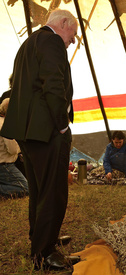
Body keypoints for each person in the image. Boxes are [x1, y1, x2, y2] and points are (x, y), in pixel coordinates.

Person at [0, 9, 80, 270]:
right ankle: (46, 253)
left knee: (39, 190)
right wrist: (61, 124)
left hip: (28, 132)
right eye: (73, 34)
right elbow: (53, 83)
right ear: (64, 23)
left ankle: (41, 241)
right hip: (46, 130)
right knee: (53, 190)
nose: (73, 40)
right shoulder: (52, 41)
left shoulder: (29, 43)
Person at [0, 98, 28, 198]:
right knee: (25, 189)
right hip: (4, 165)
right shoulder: (6, 125)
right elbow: (12, 150)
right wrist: (22, 149)